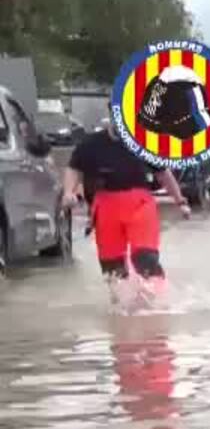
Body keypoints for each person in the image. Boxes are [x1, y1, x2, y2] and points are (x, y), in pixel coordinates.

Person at [63, 125, 191, 302]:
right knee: (112, 267)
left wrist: (180, 201)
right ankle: (121, 308)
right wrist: (68, 191)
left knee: (145, 258)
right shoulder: (91, 144)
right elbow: (74, 168)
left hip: (139, 203)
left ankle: (158, 303)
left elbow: (163, 173)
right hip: (106, 206)